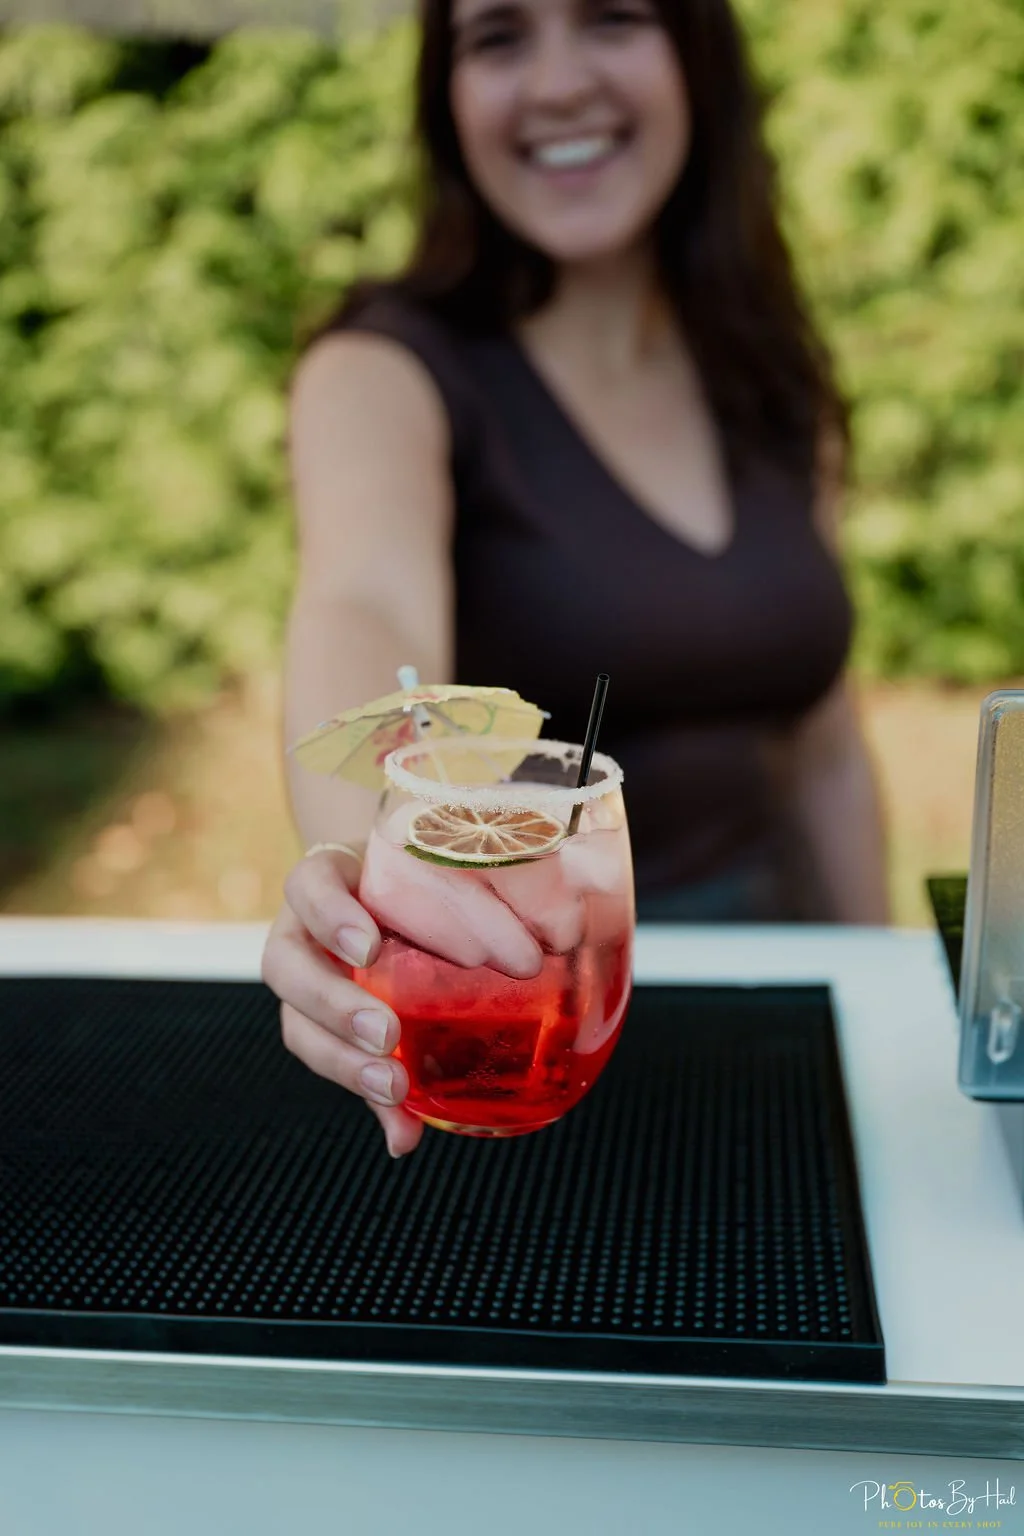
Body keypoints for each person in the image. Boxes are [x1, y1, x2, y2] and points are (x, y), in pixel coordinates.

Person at [261, 0, 890, 1157]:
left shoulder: (768, 370)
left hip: (775, 1030)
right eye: (497, 37)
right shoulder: (381, 370)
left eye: (611, 18)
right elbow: (365, 605)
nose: (554, 84)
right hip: (516, 1009)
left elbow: (822, 749)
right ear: (445, 101)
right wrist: (370, 891)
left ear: (696, 56)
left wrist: (891, 1014)